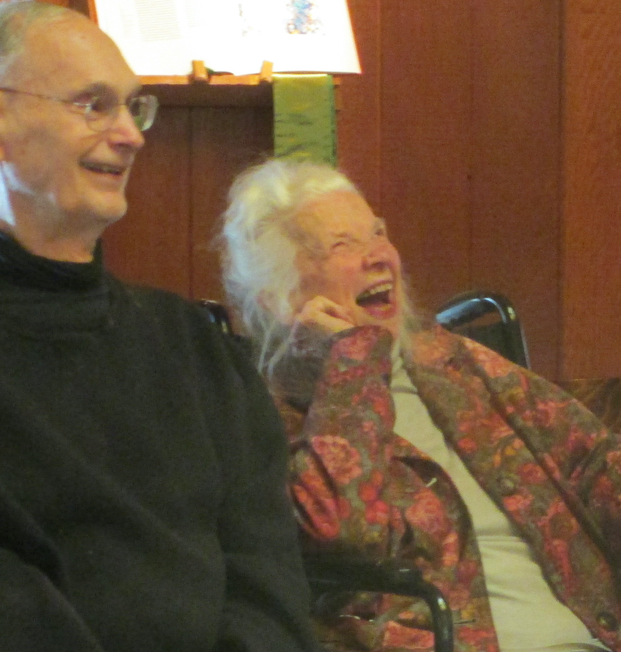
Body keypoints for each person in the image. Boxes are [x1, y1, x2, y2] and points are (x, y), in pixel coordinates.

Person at [0, 0, 319, 652]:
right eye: (93, 105)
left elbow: (267, 572)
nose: (131, 135)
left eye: (133, 107)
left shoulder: (194, 343)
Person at [220, 158, 621, 652]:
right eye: (343, 245)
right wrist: (353, 358)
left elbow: (591, 460)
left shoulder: (448, 360)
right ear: (278, 297)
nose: (379, 256)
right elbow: (342, 530)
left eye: (378, 234)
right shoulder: (265, 412)